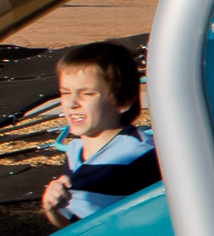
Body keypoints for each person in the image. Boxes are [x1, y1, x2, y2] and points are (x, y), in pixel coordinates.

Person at [38, 41, 159, 226]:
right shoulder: (75, 150)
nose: (71, 103)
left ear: (122, 101)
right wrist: (52, 207)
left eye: (86, 94)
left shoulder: (142, 155)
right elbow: (73, 227)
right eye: (65, 93)